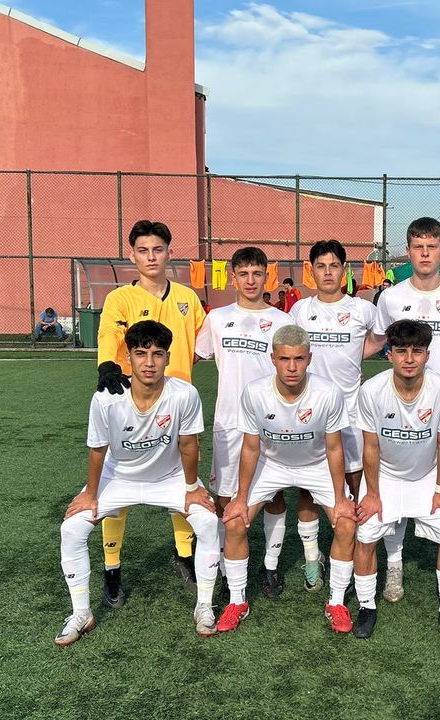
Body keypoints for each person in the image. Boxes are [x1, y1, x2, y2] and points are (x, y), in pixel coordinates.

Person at [56, 320, 221, 645]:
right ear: (128, 357)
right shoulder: (107, 398)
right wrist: (91, 494)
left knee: (207, 522)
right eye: (141, 353)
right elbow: (97, 449)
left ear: (168, 358)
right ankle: (81, 613)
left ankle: (204, 606)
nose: (149, 362)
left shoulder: (184, 394)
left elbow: (189, 445)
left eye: (157, 354)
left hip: (169, 477)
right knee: (72, 528)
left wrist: (192, 489)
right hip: (118, 477)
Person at [93, 220, 207, 607]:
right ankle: (112, 569)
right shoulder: (120, 298)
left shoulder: (187, 298)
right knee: (116, 485)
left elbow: (206, 339)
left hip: (176, 408)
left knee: (182, 479)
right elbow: (110, 334)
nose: (151, 257)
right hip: (130, 403)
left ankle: (185, 556)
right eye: (143, 251)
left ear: (169, 253)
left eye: (158, 249)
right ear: (133, 256)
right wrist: (108, 365)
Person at [216, 325, 357, 634]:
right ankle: (237, 601)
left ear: (309, 358)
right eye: (284, 359)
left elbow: (334, 447)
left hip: (316, 465)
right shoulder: (255, 392)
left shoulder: (328, 393)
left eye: (299, 359)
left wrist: (341, 498)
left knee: (346, 523)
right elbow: (250, 447)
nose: (292, 367)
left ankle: (336, 602)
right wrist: (240, 498)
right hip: (271, 464)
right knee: (235, 521)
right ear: (273, 359)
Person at [373, 217, 440, 605]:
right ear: (408, 251)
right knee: (396, 481)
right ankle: (394, 566)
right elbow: (377, 343)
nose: (424, 254)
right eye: (418, 247)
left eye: (431, 247)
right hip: (400, 407)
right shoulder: (390, 298)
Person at [195, 246, 308, 598]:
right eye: (243, 274)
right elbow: (191, 358)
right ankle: (225, 568)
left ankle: (270, 567)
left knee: (274, 495)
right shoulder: (216, 319)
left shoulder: (282, 321)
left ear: (266, 277)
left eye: (257, 273)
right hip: (229, 421)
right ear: (233, 278)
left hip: (270, 422)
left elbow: (295, 371)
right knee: (225, 497)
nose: (250, 280)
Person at [352, 320, 440, 641]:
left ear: (428, 355)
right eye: (401, 351)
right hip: (385, 476)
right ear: (389, 354)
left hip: (428, 476)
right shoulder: (372, 391)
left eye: (417, 351)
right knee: (365, 536)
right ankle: (366, 606)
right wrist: (372, 494)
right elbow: (370, 446)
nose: (409, 359)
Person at [290, 240, 385, 589]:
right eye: (321, 266)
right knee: (308, 486)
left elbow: (379, 339)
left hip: (351, 409)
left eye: (334, 266)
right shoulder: (300, 310)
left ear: (345, 271)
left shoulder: (362, 309)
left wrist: (357, 355)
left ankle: (356, 546)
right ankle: (312, 557)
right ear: (311, 271)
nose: (328, 272)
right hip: (309, 410)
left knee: (355, 479)